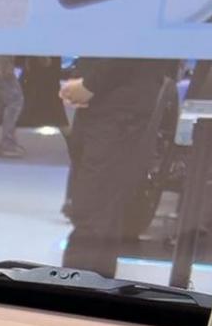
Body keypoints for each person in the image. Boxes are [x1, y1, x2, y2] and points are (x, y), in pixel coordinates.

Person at [59, 58, 180, 277]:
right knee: (101, 212)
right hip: (113, 102)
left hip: (117, 105)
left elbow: (127, 46)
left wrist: (90, 84)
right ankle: (91, 286)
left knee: (93, 210)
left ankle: (76, 288)